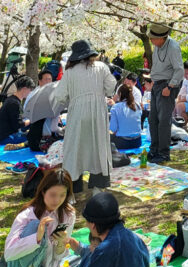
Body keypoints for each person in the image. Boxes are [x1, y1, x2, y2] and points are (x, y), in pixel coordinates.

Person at [52, 40, 115, 195]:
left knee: (75, 149)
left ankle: (73, 189)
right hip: (98, 114)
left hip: (77, 115)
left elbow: (59, 96)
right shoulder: (101, 67)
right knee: (98, 147)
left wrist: (72, 98)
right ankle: (98, 187)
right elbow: (111, 87)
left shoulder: (70, 73)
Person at [2, 169, 77, 267]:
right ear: (43, 192)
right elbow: (9, 253)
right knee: (34, 225)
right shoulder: (28, 215)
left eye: (62, 195)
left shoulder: (68, 214)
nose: (57, 200)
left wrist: (61, 244)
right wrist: (37, 238)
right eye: (52, 194)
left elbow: (58, 257)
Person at [59, 191, 150, 267]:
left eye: (87, 222)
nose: (87, 226)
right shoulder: (136, 239)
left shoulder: (105, 250)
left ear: (93, 225)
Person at [147, 23, 183, 164]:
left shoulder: (173, 47)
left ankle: (163, 152)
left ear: (162, 38)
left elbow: (179, 70)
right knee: (152, 119)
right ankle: (154, 149)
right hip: (157, 84)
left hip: (167, 85)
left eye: (153, 38)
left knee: (163, 121)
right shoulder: (157, 47)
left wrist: (170, 86)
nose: (151, 40)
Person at [25, 73, 62, 153]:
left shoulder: (34, 94)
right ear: (40, 81)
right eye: (46, 79)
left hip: (32, 140)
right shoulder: (52, 102)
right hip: (43, 142)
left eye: (50, 79)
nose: (49, 82)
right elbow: (54, 128)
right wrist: (63, 130)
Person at [0, 76, 35, 145]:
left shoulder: (12, 100)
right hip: (7, 138)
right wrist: (31, 120)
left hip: (6, 135)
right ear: (24, 89)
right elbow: (18, 124)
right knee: (36, 136)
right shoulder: (14, 103)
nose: (31, 93)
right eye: (31, 90)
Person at [109, 85, 143, 150]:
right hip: (137, 142)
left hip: (122, 142)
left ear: (120, 94)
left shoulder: (115, 107)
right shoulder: (138, 105)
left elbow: (113, 128)